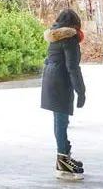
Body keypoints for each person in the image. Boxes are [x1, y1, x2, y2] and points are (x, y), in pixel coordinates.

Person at [41, 9, 87, 181]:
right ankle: (62, 162)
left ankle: (64, 155)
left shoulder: (55, 35)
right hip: (61, 80)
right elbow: (73, 67)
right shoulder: (69, 37)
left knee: (59, 120)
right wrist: (81, 91)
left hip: (51, 78)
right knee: (61, 121)